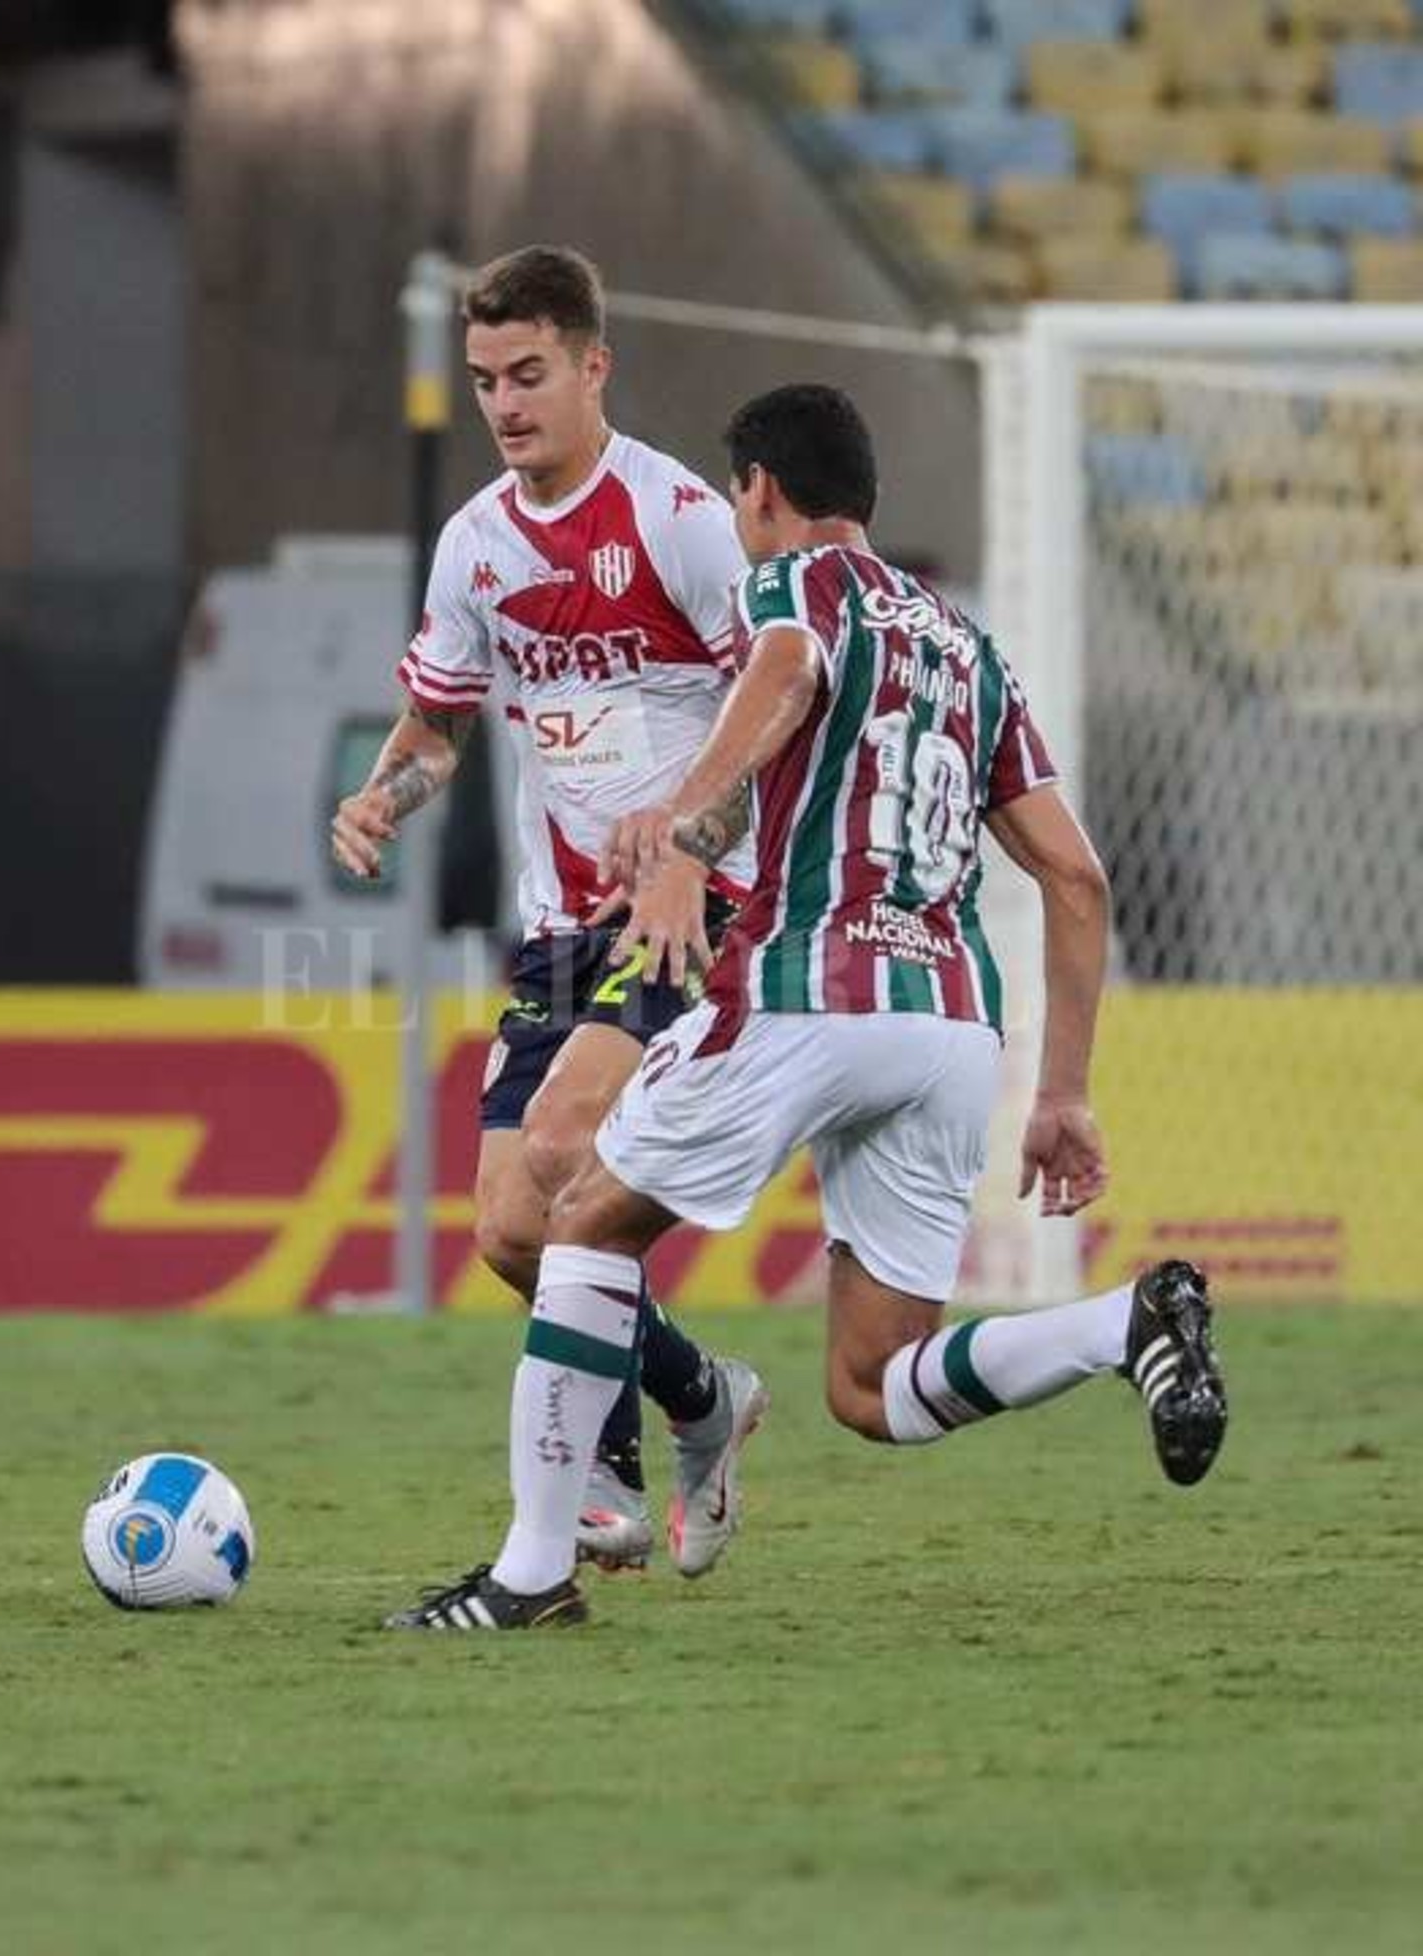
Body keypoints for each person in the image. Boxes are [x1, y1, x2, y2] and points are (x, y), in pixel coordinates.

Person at [385, 382, 1229, 1631]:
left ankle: (530, 1574)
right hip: (946, 1029)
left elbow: (778, 681)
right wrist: (1060, 1092)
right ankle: (1122, 1322)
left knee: (576, 1227)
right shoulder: (965, 646)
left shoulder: (794, 590)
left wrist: (682, 833)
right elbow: (1074, 877)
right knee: (874, 1385)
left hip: (804, 991)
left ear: (762, 493)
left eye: (739, 500)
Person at [331, 246, 767, 1577]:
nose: (506, 403)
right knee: (513, 1232)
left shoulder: (681, 519)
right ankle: (699, 1403)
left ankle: (587, 1494)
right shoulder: (474, 548)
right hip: (561, 931)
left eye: (528, 374)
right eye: (483, 382)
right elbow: (438, 730)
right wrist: (384, 795)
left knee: (563, 1153)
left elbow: (777, 710)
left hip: (694, 909)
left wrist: (692, 831)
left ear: (592, 366)